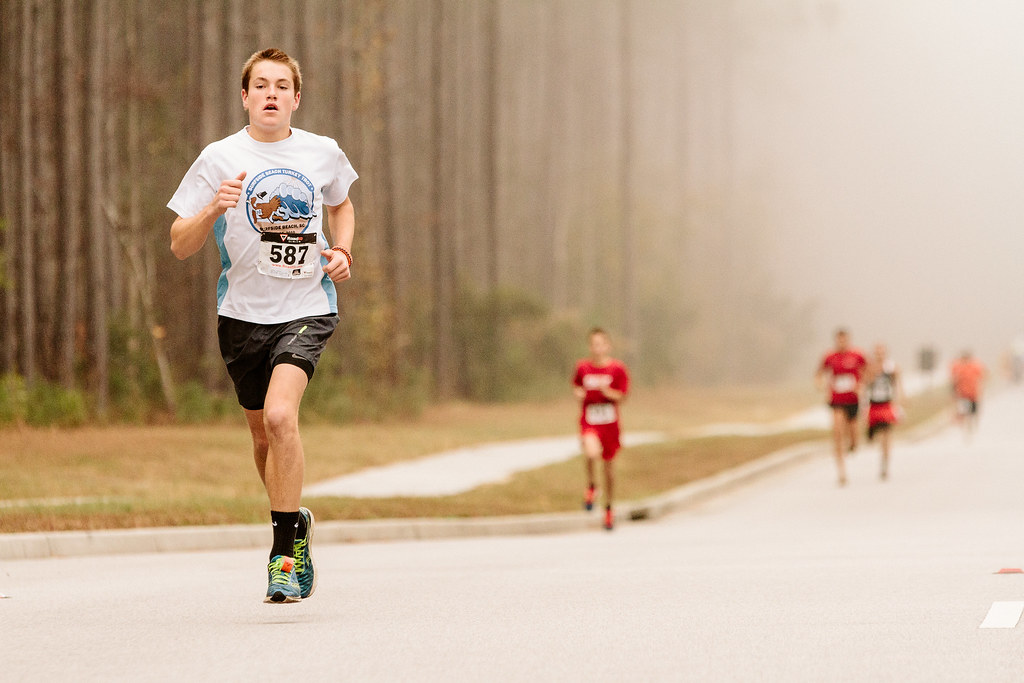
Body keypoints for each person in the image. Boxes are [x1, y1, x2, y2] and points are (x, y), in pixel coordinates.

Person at [167, 48, 358, 603]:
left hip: (306, 306)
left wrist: (342, 249)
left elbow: (342, 205)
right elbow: (180, 245)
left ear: (296, 98)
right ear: (245, 96)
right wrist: (210, 209)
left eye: (282, 86)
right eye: (261, 85)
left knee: (280, 416)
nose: (271, 94)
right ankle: (295, 521)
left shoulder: (322, 152)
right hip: (241, 315)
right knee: (261, 436)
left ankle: (281, 556)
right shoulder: (219, 157)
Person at [572, 328, 630, 530]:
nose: (597, 349)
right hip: (590, 421)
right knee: (590, 450)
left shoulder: (617, 369)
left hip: (610, 424)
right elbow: (576, 386)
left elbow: (623, 396)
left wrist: (608, 393)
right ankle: (592, 487)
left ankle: (608, 509)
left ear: (607, 346)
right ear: (590, 347)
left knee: (608, 469)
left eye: (600, 344)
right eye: (593, 344)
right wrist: (579, 393)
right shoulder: (582, 368)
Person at [815, 328, 867, 486]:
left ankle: (853, 443)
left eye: (844, 340)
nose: (841, 343)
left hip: (852, 399)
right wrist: (820, 385)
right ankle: (841, 472)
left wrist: (861, 385)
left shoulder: (857, 355)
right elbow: (819, 373)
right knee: (837, 432)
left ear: (849, 340)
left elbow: (867, 372)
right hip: (837, 399)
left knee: (853, 435)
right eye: (839, 340)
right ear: (835, 340)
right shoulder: (829, 356)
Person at [863, 343, 903, 480]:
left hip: (886, 404)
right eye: (877, 353)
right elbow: (864, 385)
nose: (879, 355)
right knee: (873, 436)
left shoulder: (892, 368)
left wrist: (899, 402)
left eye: (882, 353)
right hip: (874, 405)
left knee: (886, 435)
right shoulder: (869, 368)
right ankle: (877, 449)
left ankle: (885, 463)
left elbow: (898, 384)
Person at [950, 350, 986, 436]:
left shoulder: (974, 366)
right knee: (965, 412)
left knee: (972, 412)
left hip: (972, 394)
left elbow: (981, 377)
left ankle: (970, 424)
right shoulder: (959, 367)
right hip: (964, 394)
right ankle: (966, 425)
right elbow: (954, 380)